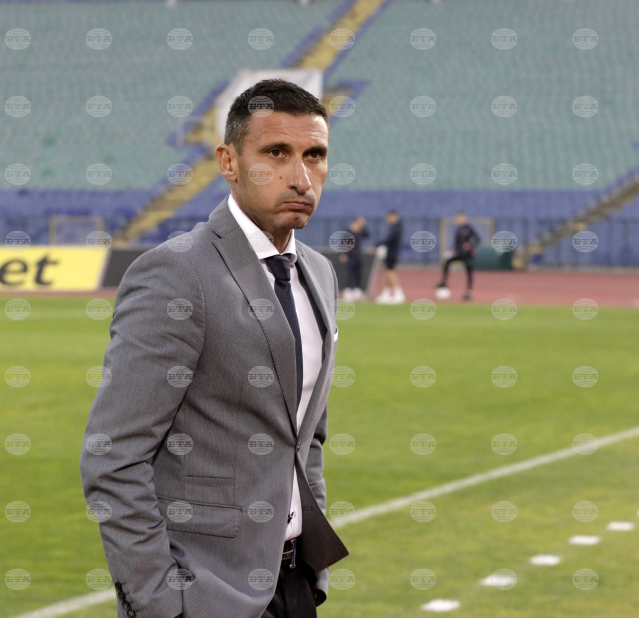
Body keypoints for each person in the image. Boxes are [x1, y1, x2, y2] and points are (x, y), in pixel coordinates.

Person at [80, 79, 349, 618]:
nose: (300, 177)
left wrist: (308, 570)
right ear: (228, 162)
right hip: (205, 597)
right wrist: (161, 604)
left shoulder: (319, 273)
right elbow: (113, 457)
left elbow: (306, 436)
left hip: (293, 584)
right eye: (276, 153)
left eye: (314, 155)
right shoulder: (177, 273)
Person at [436, 211, 480, 300]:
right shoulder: (458, 230)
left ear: (465, 218)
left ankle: (468, 291)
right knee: (447, 261)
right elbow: (456, 243)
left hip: (467, 255)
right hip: (459, 253)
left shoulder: (469, 228)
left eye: (461, 218)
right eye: (458, 218)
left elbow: (477, 239)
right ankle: (443, 282)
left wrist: (470, 244)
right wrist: (454, 251)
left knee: (469, 271)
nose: (459, 220)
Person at [374, 209, 405, 304]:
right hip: (390, 252)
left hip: (392, 253)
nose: (387, 220)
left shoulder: (397, 227)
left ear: (393, 216)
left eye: (388, 217)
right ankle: (386, 293)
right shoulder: (395, 226)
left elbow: (389, 239)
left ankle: (399, 293)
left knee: (390, 272)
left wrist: (377, 245)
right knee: (387, 272)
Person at [338, 215, 368, 300]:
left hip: (358, 256)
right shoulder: (348, 233)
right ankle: (347, 291)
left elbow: (367, 235)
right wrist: (344, 254)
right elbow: (343, 244)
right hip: (350, 256)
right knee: (349, 274)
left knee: (358, 274)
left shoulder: (359, 233)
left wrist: (363, 226)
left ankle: (357, 291)